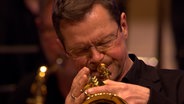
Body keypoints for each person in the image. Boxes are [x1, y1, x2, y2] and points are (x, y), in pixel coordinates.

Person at [52, 0, 184, 104]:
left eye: (104, 42)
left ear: (123, 26)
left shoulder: (179, 86)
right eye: (81, 50)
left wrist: (151, 100)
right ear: (64, 49)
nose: (97, 58)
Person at [8, 0, 77, 104]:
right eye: (52, 31)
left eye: (73, 31)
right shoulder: (27, 90)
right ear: (39, 27)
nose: (62, 44)